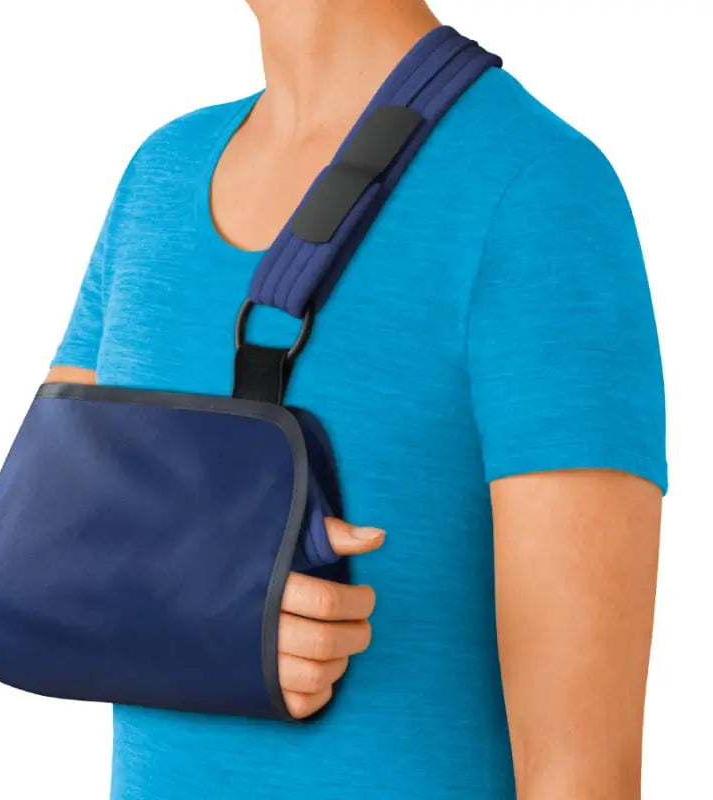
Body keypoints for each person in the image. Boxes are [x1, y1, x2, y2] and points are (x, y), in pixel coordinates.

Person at [47, 1, 666, 797]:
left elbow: (581, 774)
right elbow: (30, 562)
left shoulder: (538, 192)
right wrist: (204, 609)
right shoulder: (158, 178)